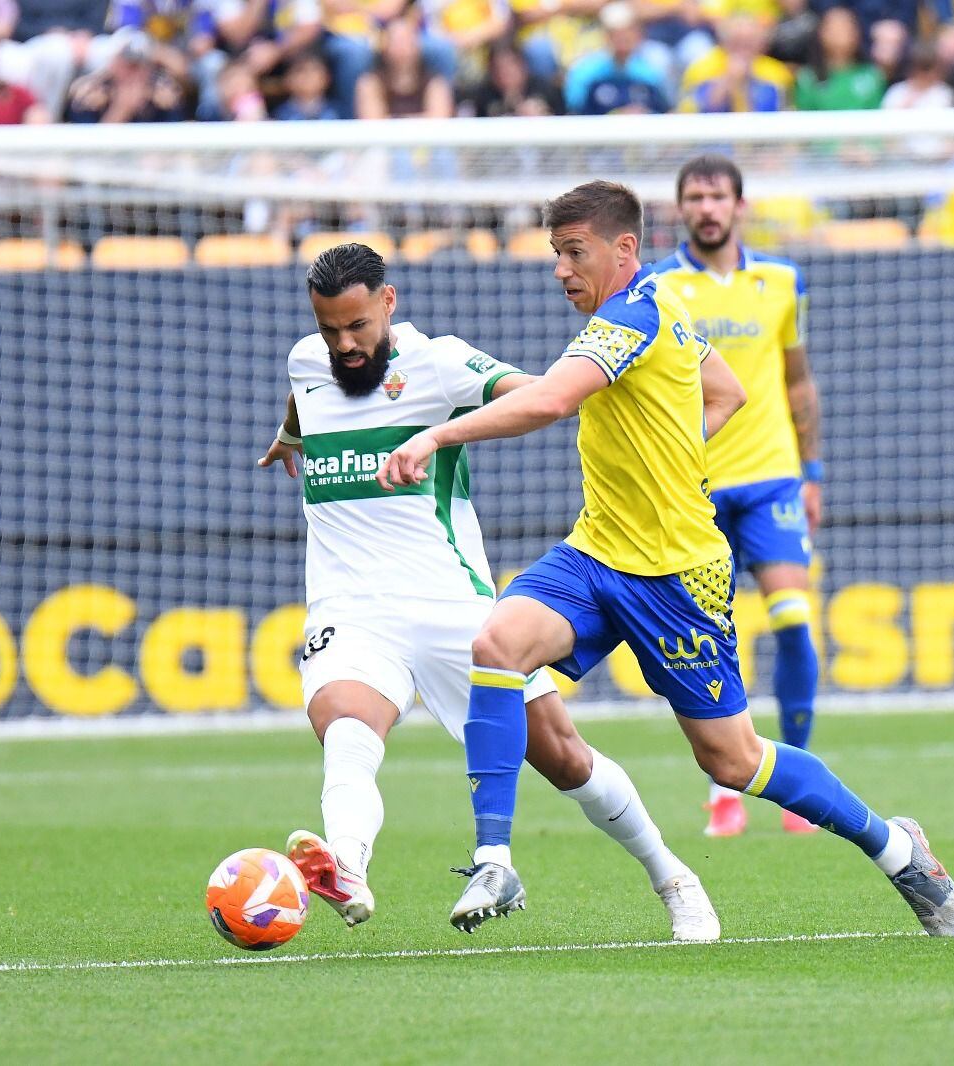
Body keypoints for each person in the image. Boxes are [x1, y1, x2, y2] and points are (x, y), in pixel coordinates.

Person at [376, 181, 954, 938]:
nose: (560, 269)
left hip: (677, 575)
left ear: (624, 248)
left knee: (732, 761)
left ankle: (896, 846)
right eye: (555, 253)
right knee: (495, 644)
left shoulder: (633, 316)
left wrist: (434, 435)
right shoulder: (665, 304)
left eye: (574, 252)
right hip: (595, 553)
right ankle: (494, 858)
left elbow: (552, 401)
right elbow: (727, 391)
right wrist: (671, 453)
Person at [257, 242, 720, 943]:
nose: (345, 346)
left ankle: (673, 877)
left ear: (388, 303)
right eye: (330, 331)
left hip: (452, 607)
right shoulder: (307, 361)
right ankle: (346, 864)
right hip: (351, 610)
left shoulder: (440, 362)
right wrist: (290, 437)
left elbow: (538, 395)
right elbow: (306, 391)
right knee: (347, 731)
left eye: (357, 327)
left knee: (564, 756)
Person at [649, 156, 825, 839]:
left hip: (773, 477)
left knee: (793, 622)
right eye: (694, 197)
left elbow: (797, 380)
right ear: (680, 209)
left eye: (717, 196)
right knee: (705, 641)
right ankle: (723, 788)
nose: (706, 208)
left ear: (739, 205)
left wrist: (811, 472)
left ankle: (798, 784)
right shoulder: (659, 286)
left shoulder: (781, 280)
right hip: (695, 485)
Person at [794, 6, 886, 111]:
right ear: (821, 33)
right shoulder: (807, 78)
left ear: (857, 33)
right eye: (834, 28)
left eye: (846, 27)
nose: (840, 34)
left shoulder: (872, 76)